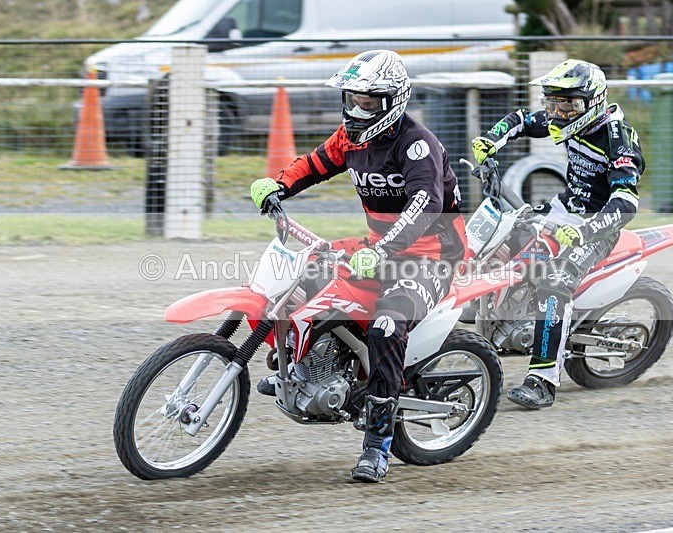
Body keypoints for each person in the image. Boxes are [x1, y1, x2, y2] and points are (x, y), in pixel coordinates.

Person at [249, 50, 468, 482]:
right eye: (350, 99)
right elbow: (314, 164)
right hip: (379, 245)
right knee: (307, 270)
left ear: (392, 102)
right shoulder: (352, 138)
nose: (355, 110)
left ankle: (377, 444)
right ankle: (297, 368)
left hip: (431, 256)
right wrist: (278, 184)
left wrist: (384, 250)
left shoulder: (416, 144)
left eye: (367, 102)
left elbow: (425, 207)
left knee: (387, 322)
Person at [471, 59, 645, 409]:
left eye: (568, 103)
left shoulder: (617, 140)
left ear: (592, 101)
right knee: (499, 241)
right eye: (552, 102)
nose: (558, 112)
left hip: (598, 225)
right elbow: (521, 119)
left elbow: (626, 203)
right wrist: (488, 142)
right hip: (563, 208)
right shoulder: (563, 119)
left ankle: (543, 380)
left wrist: (584, 232)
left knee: (554, 282)